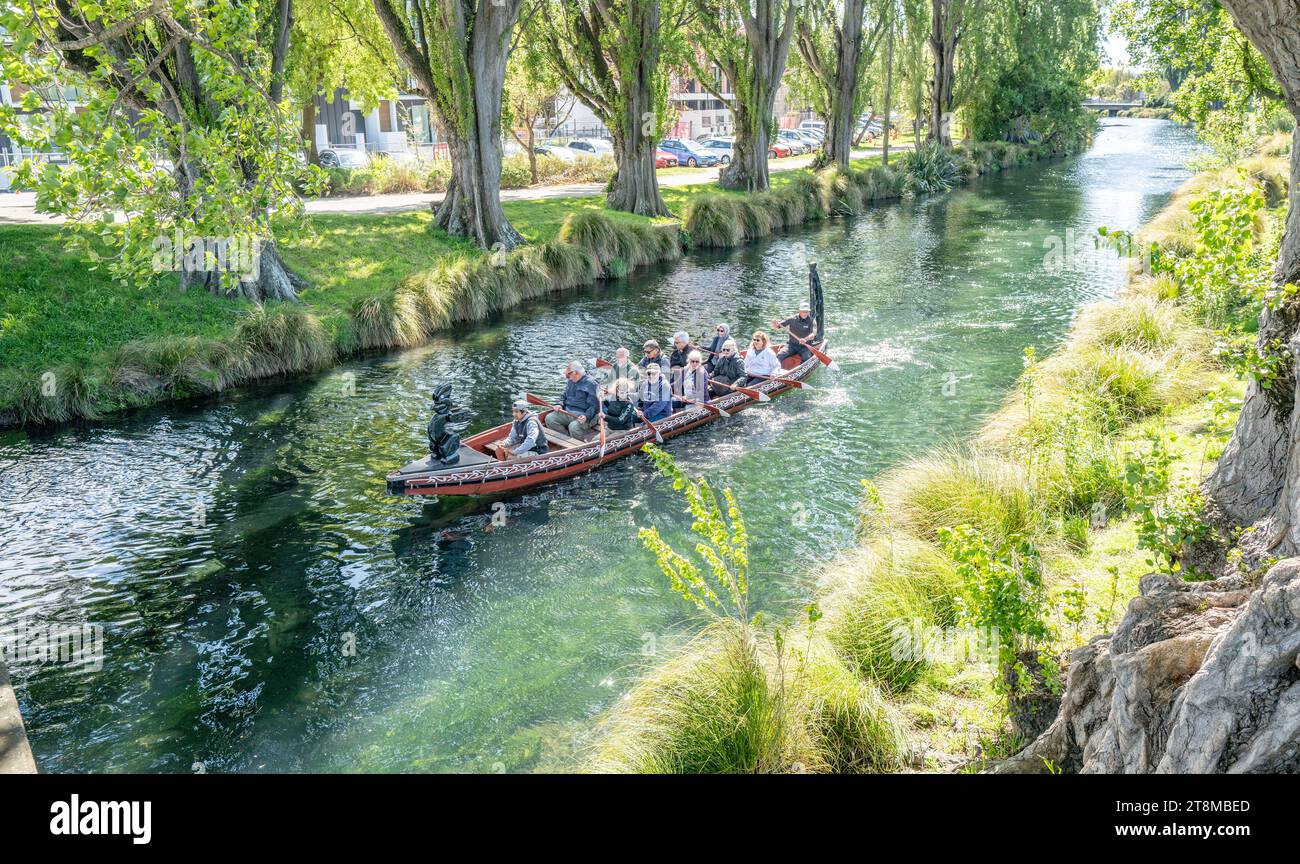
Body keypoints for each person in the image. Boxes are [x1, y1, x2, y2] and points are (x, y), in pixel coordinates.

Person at [545, 360, 600, 440]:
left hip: (585, 416)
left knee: (573, 426)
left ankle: (579, 444)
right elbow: (564, 395)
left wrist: (586, 416)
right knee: (549, 418)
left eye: (568, 375)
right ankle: (567, 439)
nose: (567, 378)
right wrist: (559, 404)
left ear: (576, 373)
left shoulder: (592, 384)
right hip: (568, 411)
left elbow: (594, 406)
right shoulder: (571, 380)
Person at [770, 300, 819, 364]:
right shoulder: (792, 319)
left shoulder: (812, 321)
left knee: (806, 358)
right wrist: (775, 325)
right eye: (803, 311)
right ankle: (776, 370)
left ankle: (801, 371)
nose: (805, 313)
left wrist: (805, 339)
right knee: (780, 355)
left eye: (806, 312)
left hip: (805, 346)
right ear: (799, 311)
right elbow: (779, 325)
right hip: (791, 345)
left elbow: (813, 333)